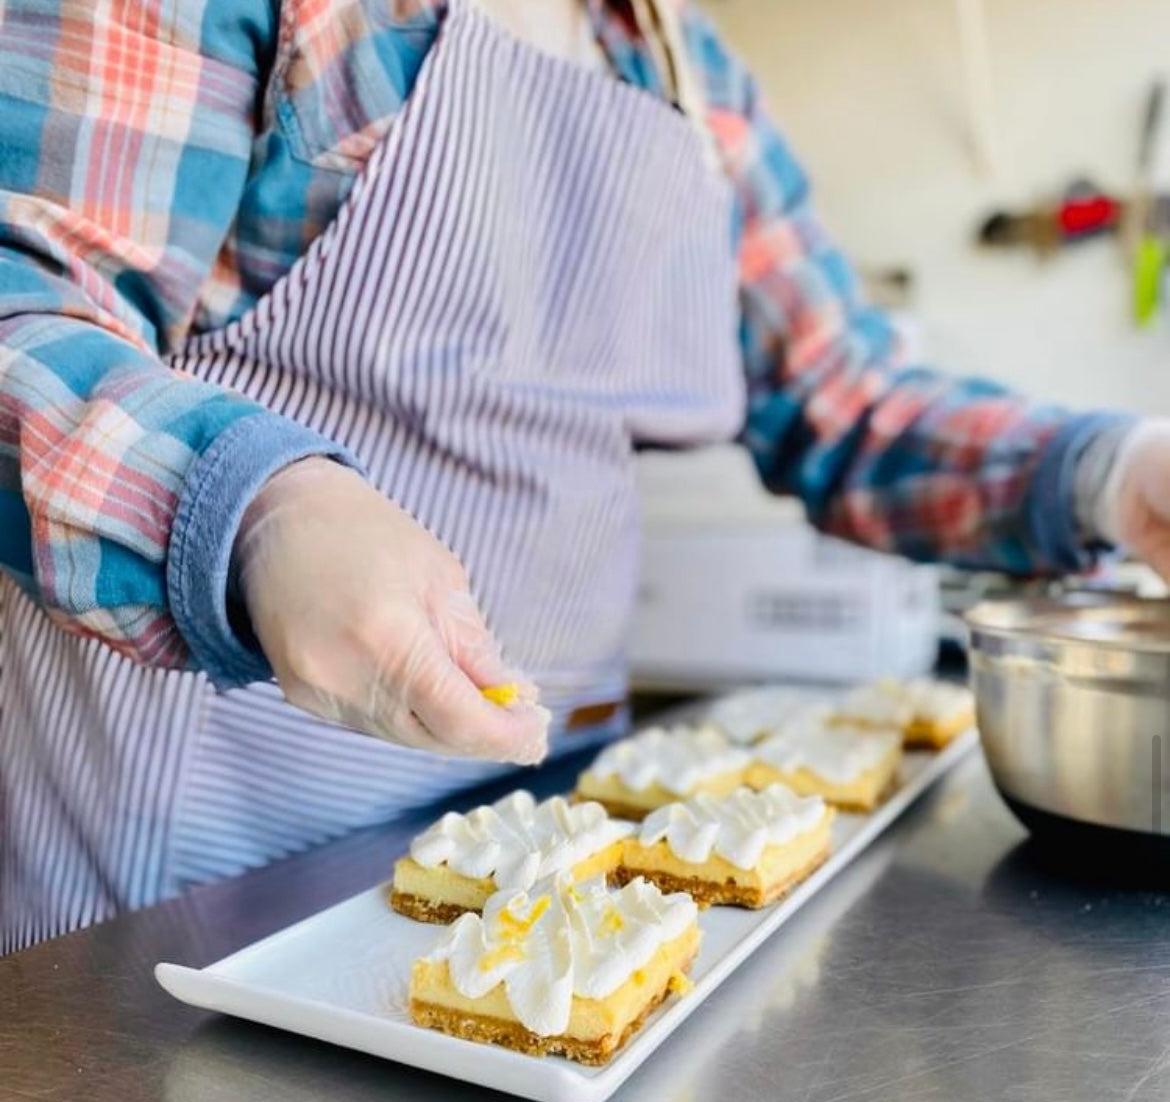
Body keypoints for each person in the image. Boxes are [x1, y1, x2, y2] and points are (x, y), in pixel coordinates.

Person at [2, 0, 1169, 954]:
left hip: (552, 855)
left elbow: (847, 398)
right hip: (192, 889)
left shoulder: (685, 75)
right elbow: (22, 298)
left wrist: (1118, 474)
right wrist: (258, 511)